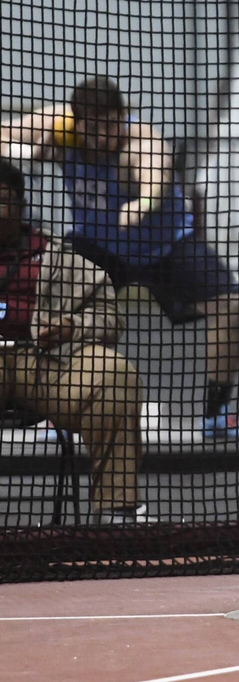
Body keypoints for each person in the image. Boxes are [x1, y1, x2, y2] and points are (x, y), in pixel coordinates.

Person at [0, 78, 239, 441]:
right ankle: (60, 412)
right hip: (97, 246)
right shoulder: (59, 126)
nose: (104, 136)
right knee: (58, 310)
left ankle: (216, 415)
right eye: (94, 128)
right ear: (78, 123)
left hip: (166, 248)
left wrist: (142, 203)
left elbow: (157, 175)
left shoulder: (141, 142)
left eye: (111, 125)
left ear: (122, 117)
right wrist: (31, 151)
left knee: (233, 306)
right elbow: (4, 135)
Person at [0, 158, 147, 523]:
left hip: (42, 365)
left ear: (20, 205)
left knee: (112, 374)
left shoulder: (58, 258)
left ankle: (116, 512)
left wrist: (72, 327)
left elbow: (111, 319)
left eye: (0, 201)